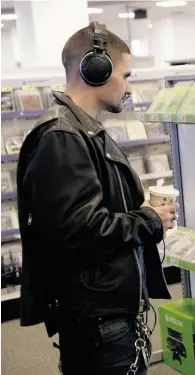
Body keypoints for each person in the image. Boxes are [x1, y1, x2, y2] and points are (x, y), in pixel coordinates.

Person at [16, 22, 179, 375]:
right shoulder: (63, 138)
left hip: (107, 316)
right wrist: (149, 220)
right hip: (98, 323)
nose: (129, 87)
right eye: (125, 75)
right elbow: (78, 230)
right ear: (95, 69)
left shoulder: (81, 130)